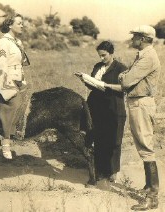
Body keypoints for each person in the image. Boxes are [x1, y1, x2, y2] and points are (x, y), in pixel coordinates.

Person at [119, 25, 160, 210]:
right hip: (138, 103)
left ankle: (152, 197)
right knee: (143, 147)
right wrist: (125, 76)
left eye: (135, 36)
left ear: (142, 38)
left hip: (141, 103)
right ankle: (149, 190)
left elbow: (126, 80)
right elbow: (127, 78)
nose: (132, 39)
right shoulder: (143, 55)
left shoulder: (148, 57)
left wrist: (124, 76)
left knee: (146, 149)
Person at [76, 41, 127, 183]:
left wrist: (105, 86)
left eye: (104, 55)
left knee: (114, 140)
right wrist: (85, 79)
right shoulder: (98, 67)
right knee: (98, 139)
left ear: (112, 53)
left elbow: (124, 87)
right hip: (96, 107)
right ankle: (99, 171)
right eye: (99, 56)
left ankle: (112, 171)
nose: (101, 58)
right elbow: (93, 84)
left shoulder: (121, 68)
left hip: (113, 107)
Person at [0, 13, 30, 159]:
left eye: (22, 23)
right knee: (11, 105)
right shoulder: (4, 42)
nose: (22, 25)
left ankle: (20, 132)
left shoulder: (17, 41)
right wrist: (8, 85)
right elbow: (3, 65)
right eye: (19, 23)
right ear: (10, 25)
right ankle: (6, 143)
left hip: (20, 78)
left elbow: (23, 62)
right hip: (8, 78)